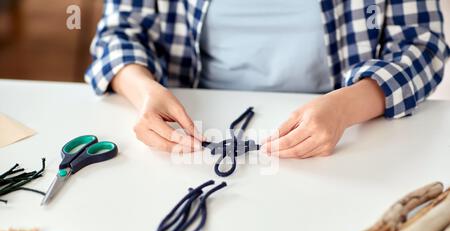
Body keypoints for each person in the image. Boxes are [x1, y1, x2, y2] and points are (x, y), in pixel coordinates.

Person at [86, 0, 449, 158]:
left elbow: (423, 46)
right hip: (193, 127)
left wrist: (347, 106)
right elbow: (117, 33)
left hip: (339, 135)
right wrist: (143, 90)